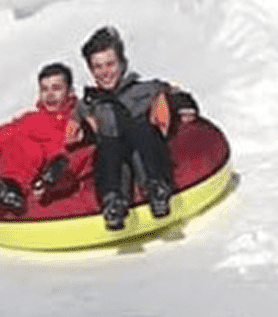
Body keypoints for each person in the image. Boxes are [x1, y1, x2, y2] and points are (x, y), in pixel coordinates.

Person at [74, 25, 193, 231]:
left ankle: (156, 188)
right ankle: (113, 202)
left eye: (110, 64)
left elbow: (171, 93)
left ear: (122, 63)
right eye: (98, 67)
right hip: (114, 158)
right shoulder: (88, 104)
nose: (105, 72)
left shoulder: (143, 89)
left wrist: (182, 105)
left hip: (144, 148)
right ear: (91, 70)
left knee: (140, 128)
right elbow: (74, 128)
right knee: (108, 145)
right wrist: (82, 131)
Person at [0, 62, 91, 212]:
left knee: (71, 159)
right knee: (23, 144)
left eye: (56, 88)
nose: (50, 95)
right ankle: (11, 189)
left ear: (70, 92)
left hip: (63, 169)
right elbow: (1, 135)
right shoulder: (31, 119)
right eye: (44, 89)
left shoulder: (77, 117)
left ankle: (51, 181)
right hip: (30, 172)